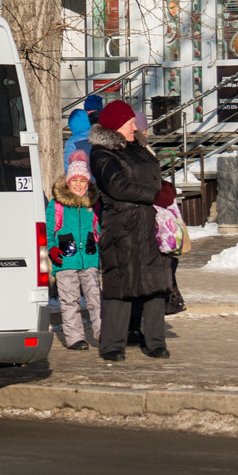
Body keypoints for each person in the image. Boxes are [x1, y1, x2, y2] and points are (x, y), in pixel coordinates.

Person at [89, 100, 172, 361]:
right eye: (129, 123)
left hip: (150, 223)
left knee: (155, 283)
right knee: (120, 284)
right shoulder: (102, 153)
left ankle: (157, 342)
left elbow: (152, 176)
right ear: (116, 127)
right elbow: (116, 186)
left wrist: (166, 189)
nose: (135, 127)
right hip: (123, 226)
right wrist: (154, 195)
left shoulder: (139, 148)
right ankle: (112, 345)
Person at [47, 153, 102, 350]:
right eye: (74, 181)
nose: (78, 185)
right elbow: (49, 230)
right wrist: (53, 248)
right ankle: (75, 337)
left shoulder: (93, 204)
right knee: (69, 301)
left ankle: (102, 332)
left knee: (95, 298)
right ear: (68, 183)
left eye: (82, 181)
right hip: (66, 257)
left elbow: (99, 229)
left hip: (89, 257)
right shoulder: (57, 205)